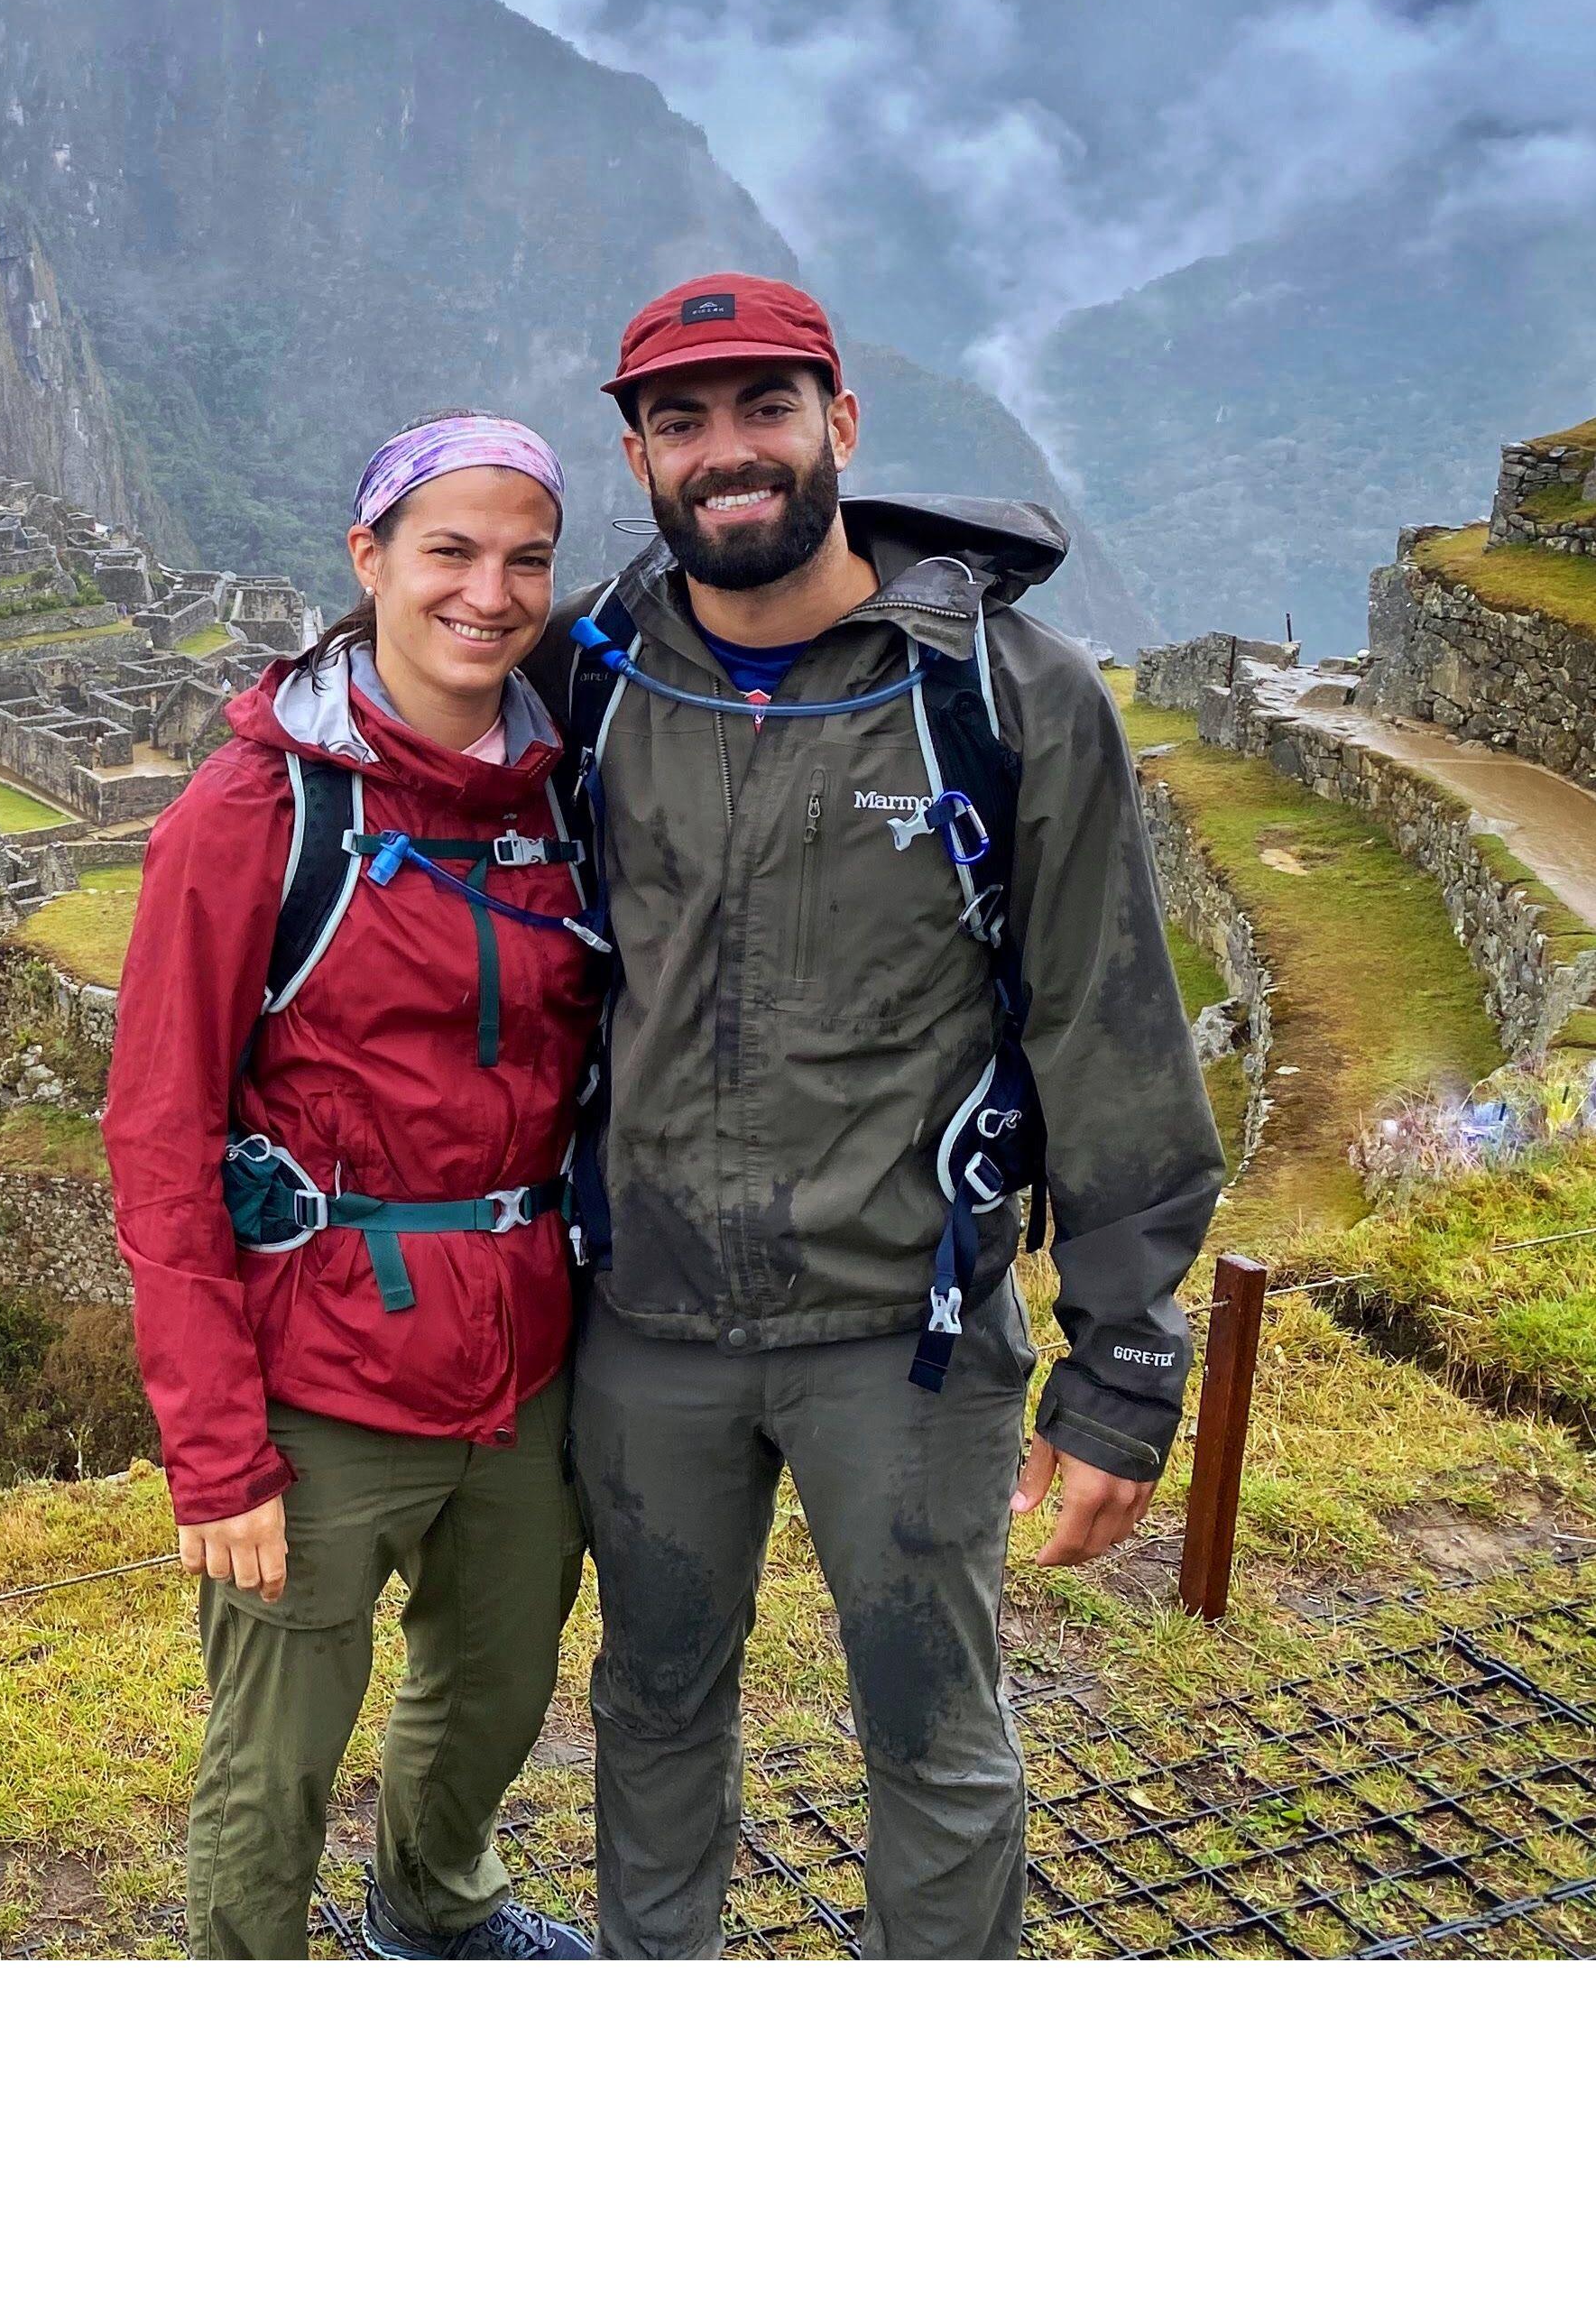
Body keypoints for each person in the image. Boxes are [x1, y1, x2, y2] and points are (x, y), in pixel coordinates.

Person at [542, 272, 1224, 1958]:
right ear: (637, 455)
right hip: (647, 1327)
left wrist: (1124, 1362)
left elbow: (1106, 1022)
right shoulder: (593, 678)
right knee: (650, 1714)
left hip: (904, 1341)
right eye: (681, 423)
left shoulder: (1006, 697)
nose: (729, 454)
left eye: (764, 409)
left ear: (839, 425)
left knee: (933, 1739)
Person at [107, 413, 607, 1959]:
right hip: (318, 1367)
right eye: (449, 552)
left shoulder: (566, 794)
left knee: (502, 1681)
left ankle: (434, 1910)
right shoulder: (257, 811)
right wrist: (214, 1451)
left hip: (525, 1357)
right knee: (274, 1756)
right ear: (370, 559)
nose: (490, 592)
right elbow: (160, 1133)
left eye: (527, 560)